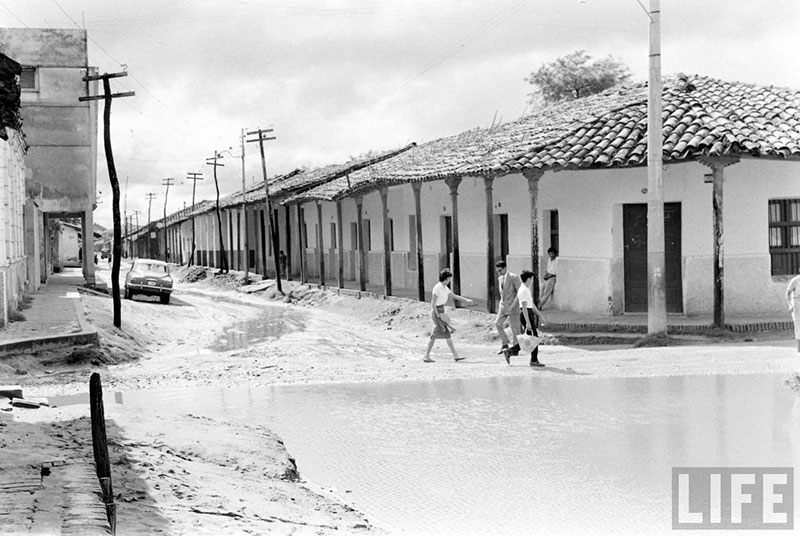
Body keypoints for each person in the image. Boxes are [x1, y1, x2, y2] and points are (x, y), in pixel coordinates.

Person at [424, 268, 473, 362]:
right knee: (438, 335)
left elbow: (454, 296)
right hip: (437, 311)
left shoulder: (445, 288)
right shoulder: (437, 288)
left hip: (441, 310)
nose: (450, 281)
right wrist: (438, 316)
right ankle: (427, 355)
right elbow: (433, 304)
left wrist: (465, 300)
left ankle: (455, 355)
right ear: (445, 279)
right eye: (449, 279)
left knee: (444, 335)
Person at [510, 270, 546, 367]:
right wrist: (528, 322)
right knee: (533, 338)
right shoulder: (523, 290)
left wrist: (540, 316)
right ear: (529, 279)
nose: (532, 281)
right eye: (532, 279)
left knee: (529, 339)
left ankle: (510, 351)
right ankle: (534, 360)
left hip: (528, 314)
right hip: (526, 314)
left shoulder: (525, 289)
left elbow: (532, 305)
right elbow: (524, 307)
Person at [494, 260, 522, 357]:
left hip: (513, 306)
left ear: (505, 268)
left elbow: (520, 292)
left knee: (515, 329)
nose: (499, 272)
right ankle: (505, 343)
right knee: (497, 323)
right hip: (503, 306)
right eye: (497, 271)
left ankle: (515, 349)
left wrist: (513, 305)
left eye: (500, 270)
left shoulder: (514, 277)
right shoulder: (500, 279)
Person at [786, 270, 800, 352]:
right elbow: (788, 292)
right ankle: (799, 348)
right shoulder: (795, 280)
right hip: (798, 304)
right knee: (798, 325)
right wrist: (790, 305)